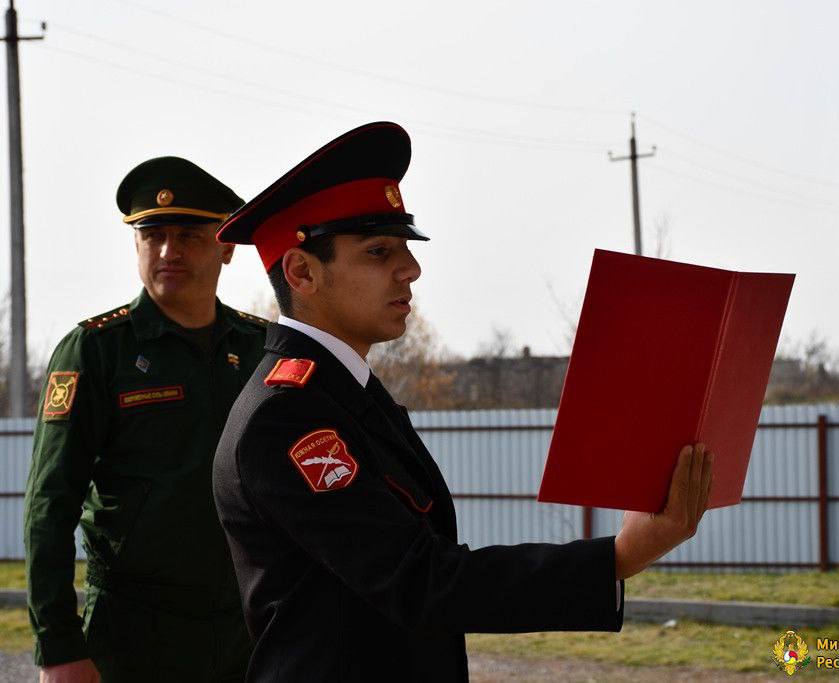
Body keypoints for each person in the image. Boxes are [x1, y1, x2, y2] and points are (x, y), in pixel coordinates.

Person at [212, 122, 715, 681]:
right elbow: (421, 581)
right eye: (379, 251)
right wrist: (618, 557)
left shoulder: (340, 390)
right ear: (301, 271)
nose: (411, 270)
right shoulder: (286, 415)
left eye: (405, 249)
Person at [24, 157, 268, 683]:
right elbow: (50, 503)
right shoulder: (96, 350)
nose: (167, 251)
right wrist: (59, 645)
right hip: (131, 634)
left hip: (246, 630)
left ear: (227, 246)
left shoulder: (260, 349)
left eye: (188, 235)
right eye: (152, 235)